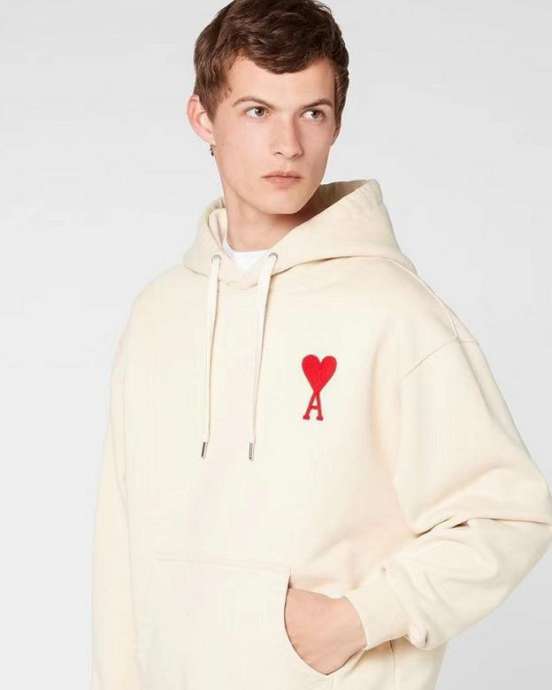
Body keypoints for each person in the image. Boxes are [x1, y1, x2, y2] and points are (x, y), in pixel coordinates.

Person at [90, 1, 552, 689]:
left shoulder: (394, 312)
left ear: (336, 123)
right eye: (257, 111)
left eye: (312, 112)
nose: (288, 144)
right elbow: (121, 550)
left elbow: (508, 514)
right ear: (202, 118)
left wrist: (359, 619)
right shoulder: (160, 314)